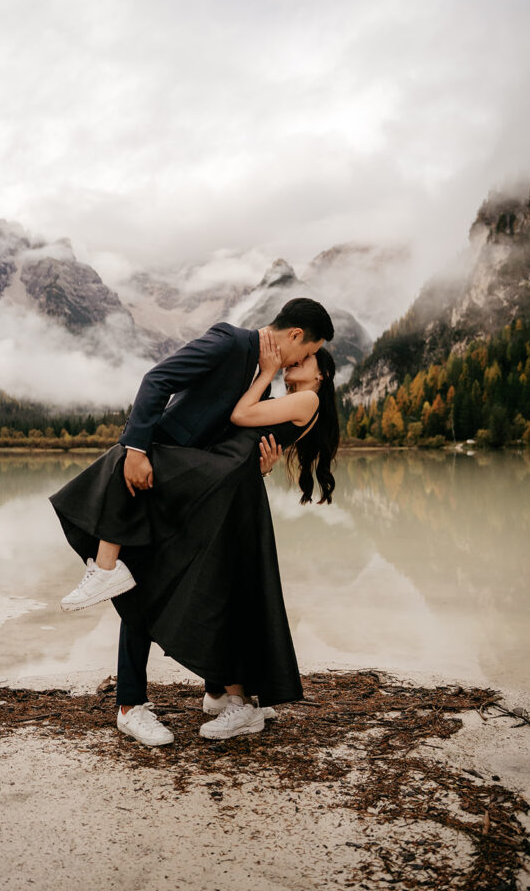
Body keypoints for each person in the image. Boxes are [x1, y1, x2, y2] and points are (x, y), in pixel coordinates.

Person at [48, 298, 336, 745]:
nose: (297, 362)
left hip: (209, 486)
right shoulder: (230, 342)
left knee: (207, 586)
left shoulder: (281, 388)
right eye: (307, 351)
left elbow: (240, 427)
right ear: (295, 336)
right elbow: (158, 380)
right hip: (181, 475)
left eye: (309, 359)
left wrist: (256, 465)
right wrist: (138, 449)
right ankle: (138, 699)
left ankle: (218, 691)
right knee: (132, 509)